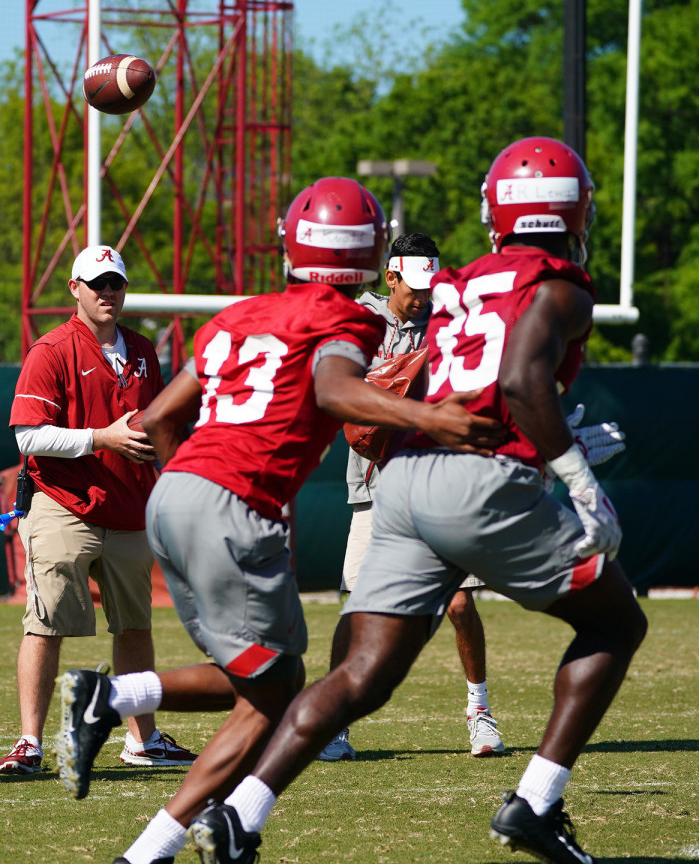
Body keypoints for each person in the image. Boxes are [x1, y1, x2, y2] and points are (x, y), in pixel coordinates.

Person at [187, 137, 648, 864]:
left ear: (498, 211)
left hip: (402, 479)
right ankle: (534, 804)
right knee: (617, 625)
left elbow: (472, 379)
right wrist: (580, 480)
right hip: (479, 480)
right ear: (574, 209)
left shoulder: (462, 280)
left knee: (361, 675)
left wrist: (541, 438)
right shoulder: (563, 285)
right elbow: (526, 380)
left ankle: (241, 813)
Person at [52, 178, 504, 864]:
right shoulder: (351, 321)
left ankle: (155, 845)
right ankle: (110, 698)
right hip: (233, 505)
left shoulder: (239, 315)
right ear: (367, 257)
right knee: (282, 687)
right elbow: (335, 389)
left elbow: (157, 419)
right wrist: (432, 415)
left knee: (265, 687)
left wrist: (190, 482)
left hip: (173, 493)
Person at [0, 245, 196, 776]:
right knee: (47, 623)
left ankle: (143, 740)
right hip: (65, 504)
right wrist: (102, 438)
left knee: (135, 626)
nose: (108, 292)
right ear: (74, 288)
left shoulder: (144, 350)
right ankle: (30, 742)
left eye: (116, 284)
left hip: (130, 505)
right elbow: (27, 435)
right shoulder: (51, 349)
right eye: (97, 283)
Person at [321, 231, 505, 762]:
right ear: (390, 277)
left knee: (459, 601)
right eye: (415, 288)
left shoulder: (448, 321)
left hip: (436, 476)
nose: (423, 297)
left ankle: (479, 710)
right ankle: (335, 718)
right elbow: (336, 389)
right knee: (357, 605)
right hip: (373, 480)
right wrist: (383, 387)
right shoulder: (358, 320)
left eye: (431, 287)